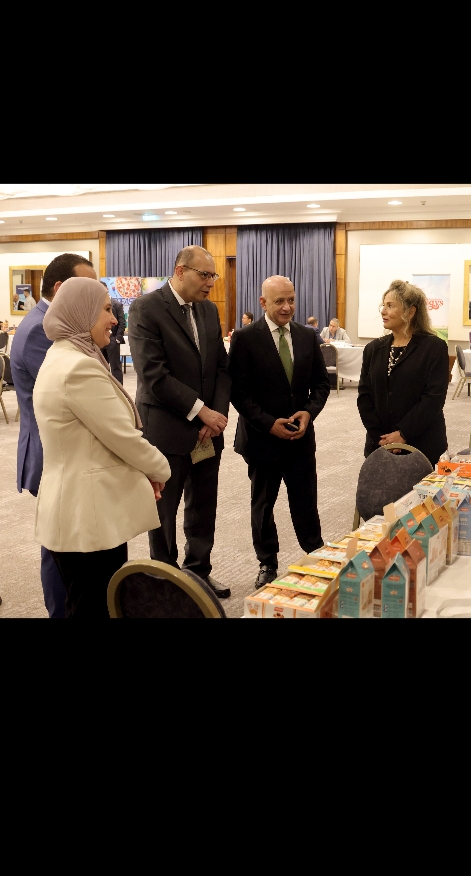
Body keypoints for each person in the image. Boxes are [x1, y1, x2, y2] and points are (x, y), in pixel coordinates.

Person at [34, 279, 170, 619]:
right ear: (82, 313)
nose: (114, 320)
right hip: (88, 518)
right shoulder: (78, 368)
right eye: (107, 310)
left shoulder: (63, 356)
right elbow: (122, 437)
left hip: (77, 511)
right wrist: (160, 469)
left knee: (86, 604)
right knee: (95, 607)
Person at [128, 246, 232, 597]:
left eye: (213, 276)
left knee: (203, 506)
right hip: (167, 428)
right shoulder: (146, 308)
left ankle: (198, 572)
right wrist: (201, 411)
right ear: (180, 271)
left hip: (208, 431)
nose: (210, 283)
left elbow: (221, 368)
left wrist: (215, 417)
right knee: (164, 511)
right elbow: (154, 375)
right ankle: (166, 580)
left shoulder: (208, 309)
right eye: (205, 275)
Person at [228, 275, 331, 588]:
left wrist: (309, 412)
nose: (287, 307)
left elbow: (321, 384)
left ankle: (315, 553)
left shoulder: (307, 336)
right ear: (263, 303)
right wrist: (268, 423)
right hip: (261, 440)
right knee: (263, 505)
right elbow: (238, 393)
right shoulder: (245, 338)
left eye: (291, 300)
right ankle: (267, 562)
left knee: (305, 501)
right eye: (279, 301)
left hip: (300, 438)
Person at [11, 252, 98, 618]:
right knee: (59, 544)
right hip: (52, 453)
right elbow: (73, 393)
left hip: (63, 450)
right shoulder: (41, 329)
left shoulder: (52, 322)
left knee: (67, 540)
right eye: (88, 287)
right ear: (61, 289)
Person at [357, 280, 449, 464]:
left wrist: (403, 433)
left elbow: (433, 398)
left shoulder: (434, 347)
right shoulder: (373, 348)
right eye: (383, 305)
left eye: (390, 306)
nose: (383, 311)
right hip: (379, 444)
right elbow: (364, 395)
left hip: (422, 445)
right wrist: (380, 437)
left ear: (411, 311)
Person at [101, 282, 126, 384]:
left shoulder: (117, 304)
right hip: (100, 340)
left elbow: (122, 323)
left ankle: (119, 390)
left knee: (115, 367)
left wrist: (117, 339)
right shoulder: (96, 305)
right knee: (101, 367)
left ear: (107, 289)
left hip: (113, 340)